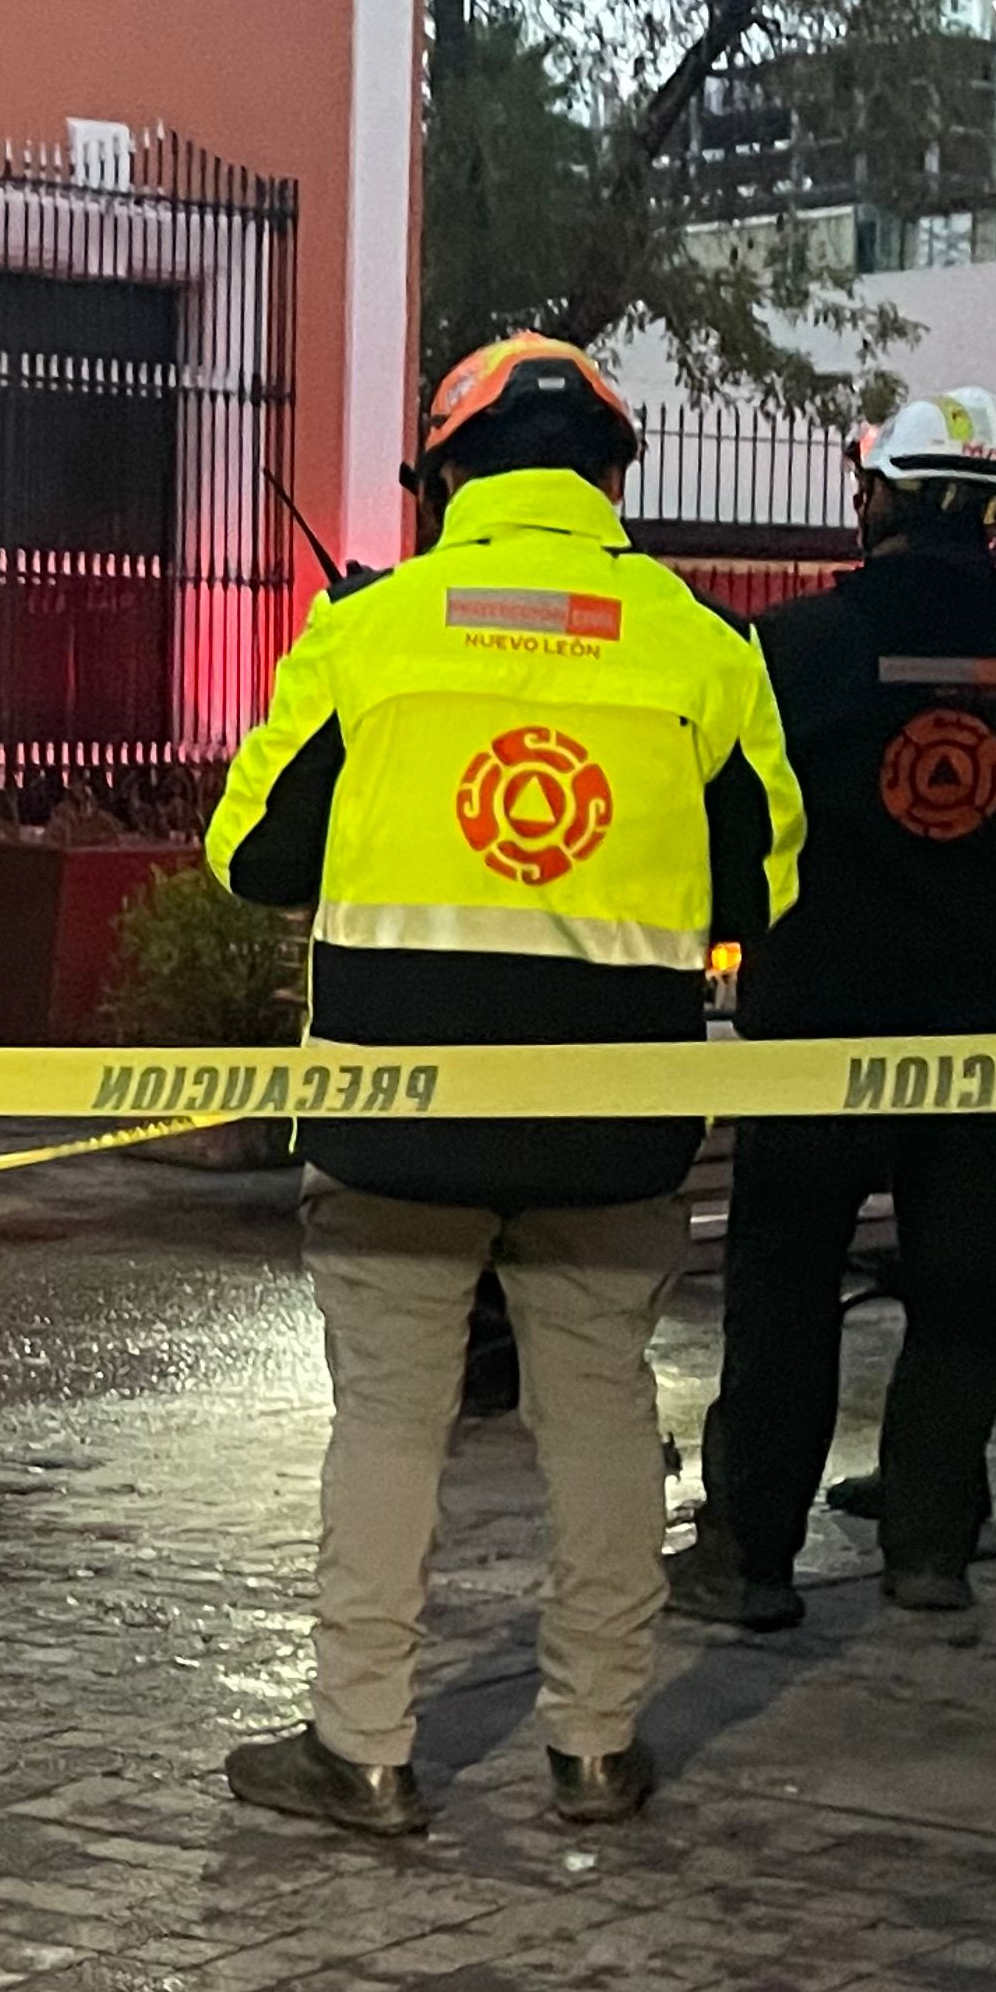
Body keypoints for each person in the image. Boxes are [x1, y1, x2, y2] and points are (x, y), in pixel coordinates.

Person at [208, 335, 803, 1836]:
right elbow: (769, 882)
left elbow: (250, 856)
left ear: (448, 478)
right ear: (611, 475)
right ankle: (597, 1746)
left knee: (390, 1424)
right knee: (600, 1413)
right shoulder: (703, 648)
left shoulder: (373, 635)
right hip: (616, 1115)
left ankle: (365, 1751)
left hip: (394, 1111)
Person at [664, 394, 996, 1629]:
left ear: (881, 500)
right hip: (988, 1029)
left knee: (786, 1288)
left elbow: (740, 827)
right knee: (965, 1295)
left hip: (819, 1022)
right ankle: (931, 1550)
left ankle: (751, 1557)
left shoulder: (791, 646)